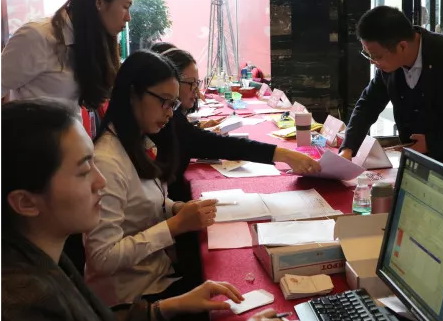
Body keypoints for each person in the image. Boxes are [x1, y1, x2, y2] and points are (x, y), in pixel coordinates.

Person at [1, 98, 281, 321]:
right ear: (26, 203)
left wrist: (165, 308)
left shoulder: (42, 257)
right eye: (84, 170)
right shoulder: (26, 302)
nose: (100, 181)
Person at [83, 50, 220, 314]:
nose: (170, 113)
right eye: (164, 102)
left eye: (174, 104)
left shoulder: (136, 142)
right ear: (132, 94)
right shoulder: (107, 161)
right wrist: (175, 225)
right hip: (131, 299)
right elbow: (102, 258)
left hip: (157, 275)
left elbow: (139, 203)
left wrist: (175, 208)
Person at [150, 43, 321, 202]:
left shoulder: (173, 119)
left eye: (197, 83)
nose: (197, 91)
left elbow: (200, 141)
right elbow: (218, 144)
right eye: (191, 83)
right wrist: (284, 155)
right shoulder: (164, 123)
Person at [339, 5, 443, 169]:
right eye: (367, 54)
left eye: (376, 56)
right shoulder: (389, 65)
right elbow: (368, 104)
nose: (372, 62)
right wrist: (348, 149)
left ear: (402, 46)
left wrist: (432, 142)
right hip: (414, 165)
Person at [1, 0, 132, 110]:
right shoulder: (37, 36)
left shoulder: (91, 42)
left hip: (70, 124)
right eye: (125, 7)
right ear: (99, 2)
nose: (128, 17)